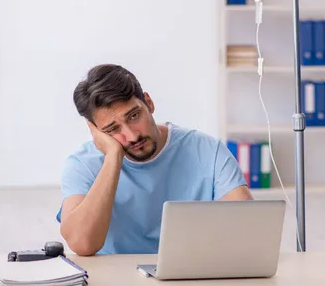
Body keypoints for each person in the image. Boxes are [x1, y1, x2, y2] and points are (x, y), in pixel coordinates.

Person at [57, 64, 253, 256]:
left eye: (134, 116)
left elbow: (248, 229)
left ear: (149, 103)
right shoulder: (82, 164)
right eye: (112, 129)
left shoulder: (209, 150)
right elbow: (82, 244)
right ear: (97, 132)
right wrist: (113, 157)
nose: (132, 136)